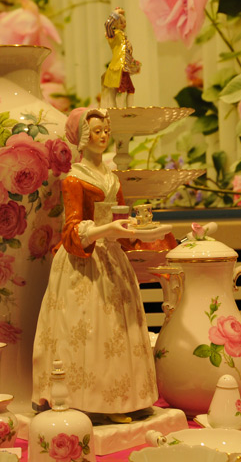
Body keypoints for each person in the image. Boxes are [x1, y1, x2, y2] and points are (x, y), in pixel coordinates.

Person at [32, 107, 158, 422]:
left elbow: (120, 216)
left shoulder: (112, 177)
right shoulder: (75, 179)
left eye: (105, 131)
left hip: (111, 257)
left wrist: (134, 230)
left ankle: (121, 397)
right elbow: (72, 230)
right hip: (83, 262)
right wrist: (106, 230)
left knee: (116, 328)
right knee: (86, 327)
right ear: (83, 137)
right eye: (96, 132)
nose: (103, 137)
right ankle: (85, 398)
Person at [101, 7, 141, 108]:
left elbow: (126, 53)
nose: (123, 24)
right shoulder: (113, 34)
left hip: (125, 67)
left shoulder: (123, 35)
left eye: (124, 22)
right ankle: (121, 109)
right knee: (122, 89)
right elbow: (107, 24)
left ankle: (129, 108)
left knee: (131, 89)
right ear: (115, 24)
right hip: (118, 67)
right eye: (121, 22)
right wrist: (114, 14)